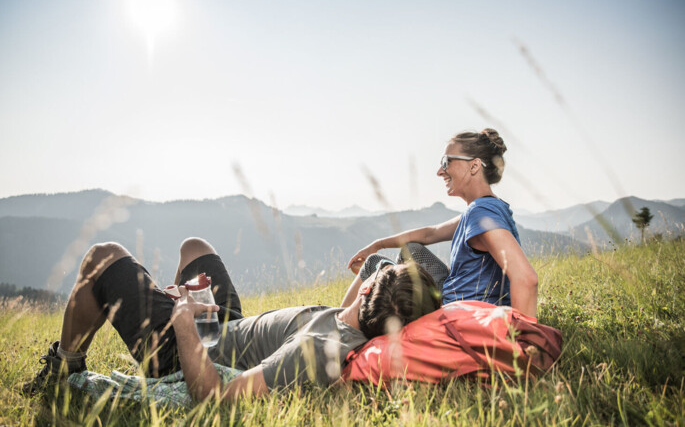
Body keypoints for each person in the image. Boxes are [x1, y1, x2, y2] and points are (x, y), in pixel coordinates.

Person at [22, 237, 440, 403]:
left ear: (369, 293)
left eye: (377, 277)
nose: (374, 271)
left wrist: (183, 321)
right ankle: (162, 309)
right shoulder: (356, 317)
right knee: (194, 248)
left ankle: (63, 367)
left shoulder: (321, 347)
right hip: (225, 328)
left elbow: (215, 396)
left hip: (190, 350)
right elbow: (401, 257)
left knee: (103, 256)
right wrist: (384, 264)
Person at [345, 128, 538, 318]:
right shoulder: (482, 210)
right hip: (454, 300)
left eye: (447, 162)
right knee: (409, 250)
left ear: (474, 166)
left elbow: (526, 278)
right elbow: (430, 233)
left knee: (373, 265)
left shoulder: (482, 212)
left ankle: (338, 328)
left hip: (461, 313)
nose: (440, 171)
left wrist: (521, 340)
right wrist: (377, 244)